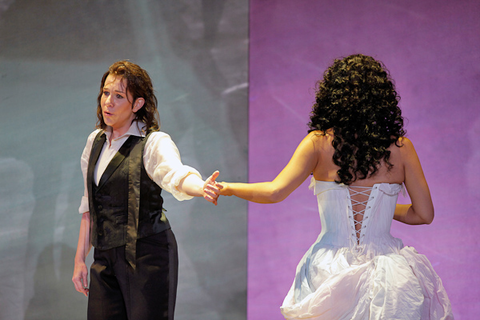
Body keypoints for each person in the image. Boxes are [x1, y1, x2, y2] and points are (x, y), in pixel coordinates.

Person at [215, 54, 453, 319]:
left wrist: (228, 187)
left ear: (332, 96)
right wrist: (384, 211)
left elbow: (274, 192)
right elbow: (424, 214)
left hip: (328, 270)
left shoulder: (317, 143)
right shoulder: (401, 148)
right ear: (381, 98)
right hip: (390, 277)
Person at [72, 60, 220, 320]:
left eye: (119, 96)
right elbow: (89, 206)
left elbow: (176, 175)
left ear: (137, 104)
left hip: (147, 255)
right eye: (106, 93)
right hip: (105, 257)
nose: (108, 102)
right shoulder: (94, 142)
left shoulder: (152, 142)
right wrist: (79, 260)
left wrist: (200, 186)